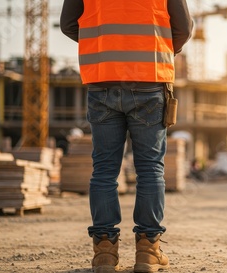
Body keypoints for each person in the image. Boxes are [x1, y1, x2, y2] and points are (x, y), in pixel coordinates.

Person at [60, 0, 193, 272]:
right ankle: (148, 251)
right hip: (149, 80)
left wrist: (101, 45)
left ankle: (105, 254)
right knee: (149, 168)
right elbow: (183, 28)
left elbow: (68, 25)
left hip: (102, 80)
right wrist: (161, 47)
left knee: (104, 170)